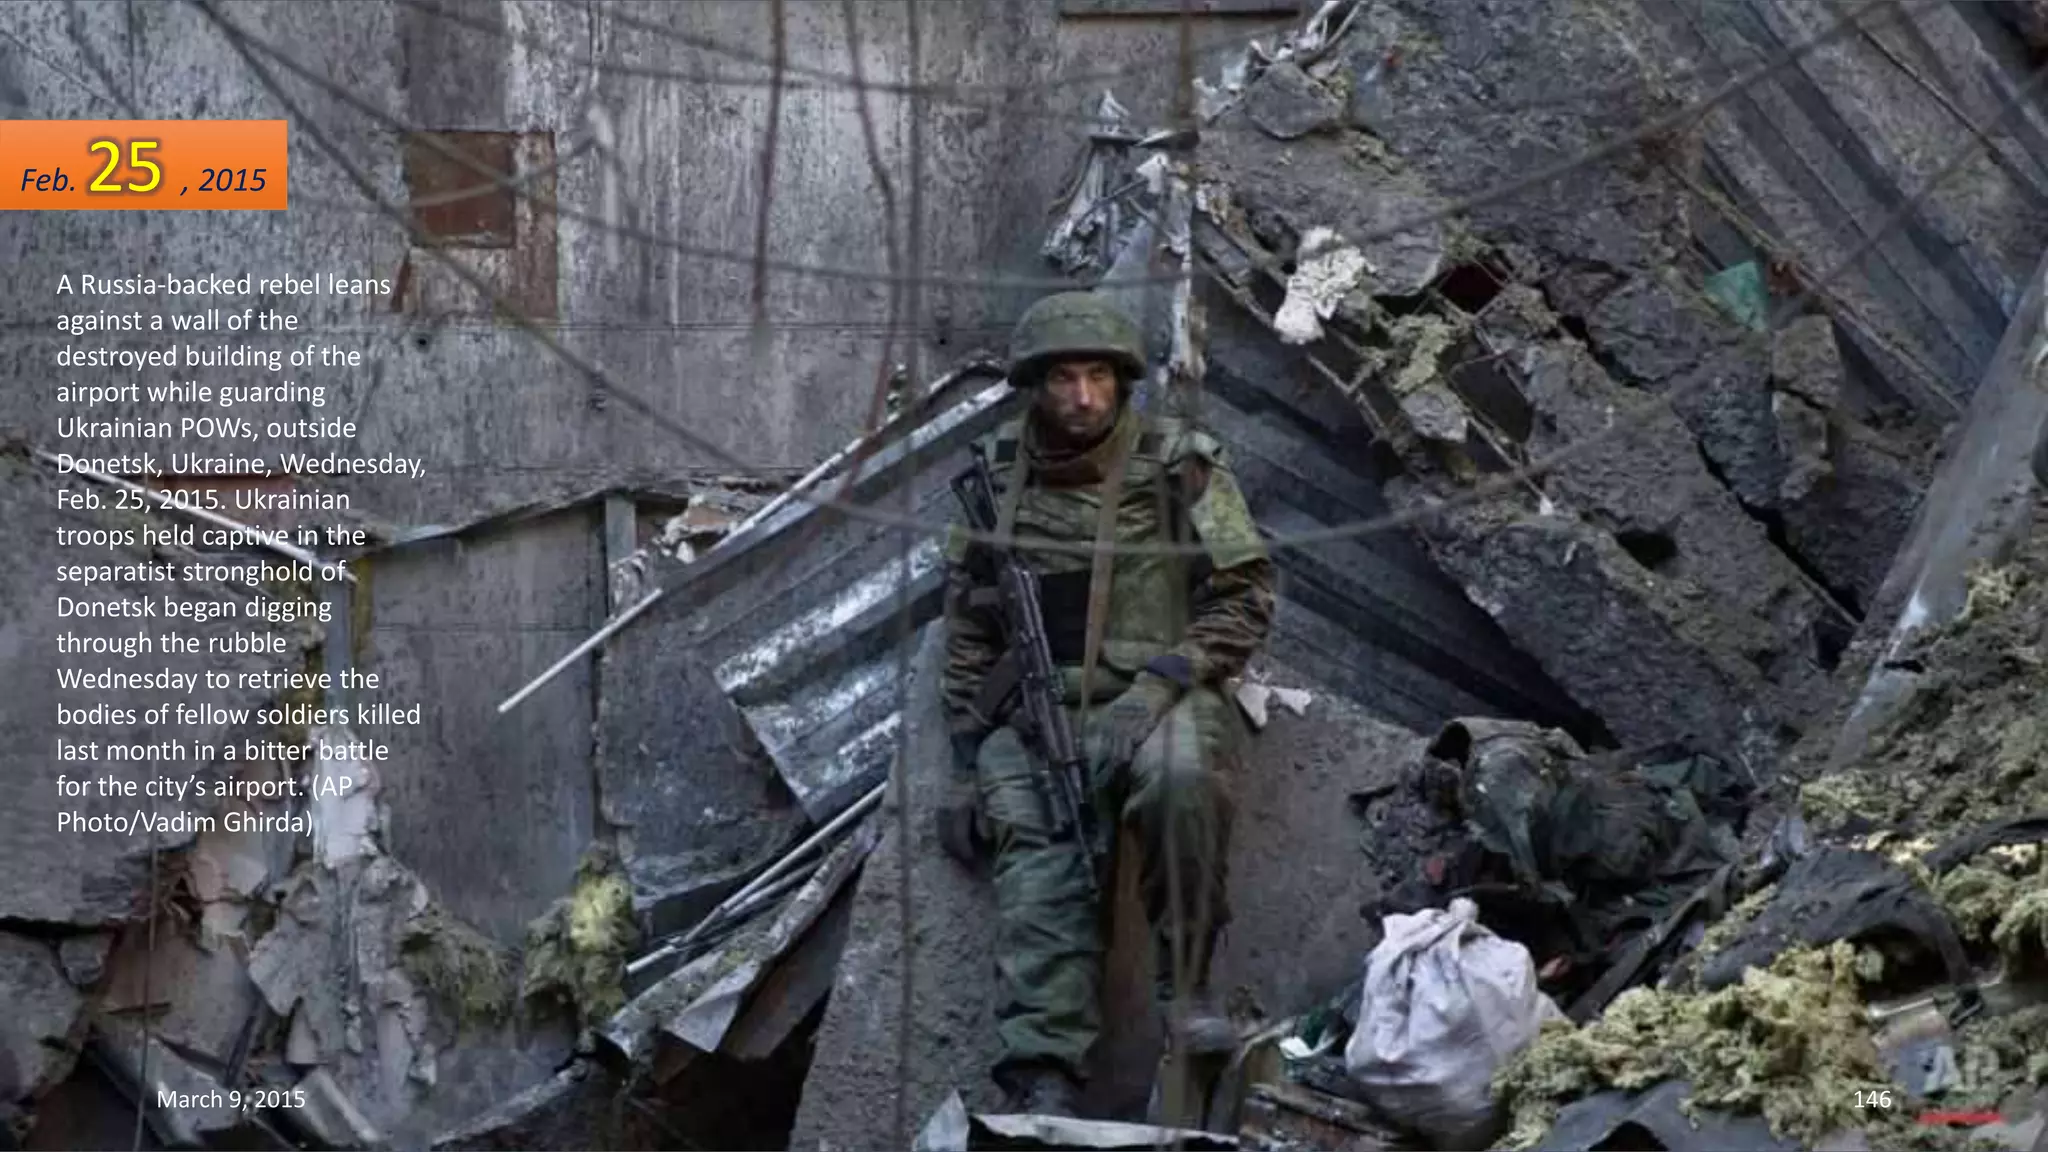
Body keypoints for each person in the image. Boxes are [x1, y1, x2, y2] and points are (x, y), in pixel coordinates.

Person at [939, 290, 1277, 1118]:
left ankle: (1189, 990)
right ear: (1035, 386)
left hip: (1162, 693)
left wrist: (1160, 686)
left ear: (1122, 382)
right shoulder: (994, 475)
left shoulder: (1179, 462)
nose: (1084, 398)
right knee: (1041, 870)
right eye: (1064, 379)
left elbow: (1246, 595)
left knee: (1184, 779)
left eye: (1098, 377)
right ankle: (1043, 1075)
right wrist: (963, 762)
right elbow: (969, 626)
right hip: (1038, 713)